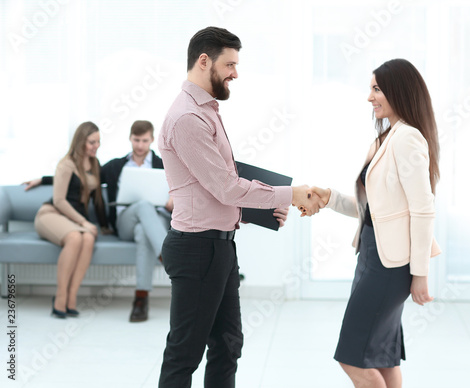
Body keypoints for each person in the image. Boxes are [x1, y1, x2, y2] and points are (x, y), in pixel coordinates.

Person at [157, 26, 321, 387]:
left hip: (219, 247)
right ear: (204, 61)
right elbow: (226, 187)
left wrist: (263, 208)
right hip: (198, 249)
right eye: (229, 64)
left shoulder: (206, 111)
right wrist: (289, 194)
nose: (235, 73)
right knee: (184, 354)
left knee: (228, 344)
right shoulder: (187, 118)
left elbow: (215, 186)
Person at [309, 58, 441, 388]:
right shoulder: (384, 139)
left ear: (399, 91)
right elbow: (375, 210)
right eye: (370, 89)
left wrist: (420, 274)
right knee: (382, 356)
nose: (370, 97)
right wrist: (329, 198)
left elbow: (422, 210)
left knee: (351, 358)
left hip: (389, 267)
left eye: (377, 89)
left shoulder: (408, 139)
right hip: (371, 257)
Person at [26, 120, 173, 322]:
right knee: (143, 205)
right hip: (123, 222)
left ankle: (141, 299)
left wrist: (175, 197)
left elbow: (182, 186)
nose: (140, 145)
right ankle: (169, 257)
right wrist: (43, 179)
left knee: (142, 230)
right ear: (130, 138)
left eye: (144, 140)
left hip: (151, 224)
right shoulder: (114, 166)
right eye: (136, 140)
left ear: (152, 140)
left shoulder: (163, 166)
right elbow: (73, 177)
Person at [34, 121, 109, 319]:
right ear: (80, 141)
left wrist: (104, 226)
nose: (96, 146)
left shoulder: (94, 164)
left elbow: (98, 199)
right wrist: (84, 222)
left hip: (73, 221)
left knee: (89, 238)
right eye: (92, 142)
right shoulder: (66, 163)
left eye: (99, 142)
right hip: (51, 214)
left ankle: (71, 297)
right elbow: (59, 200)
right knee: (76, 237)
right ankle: (60, 297)